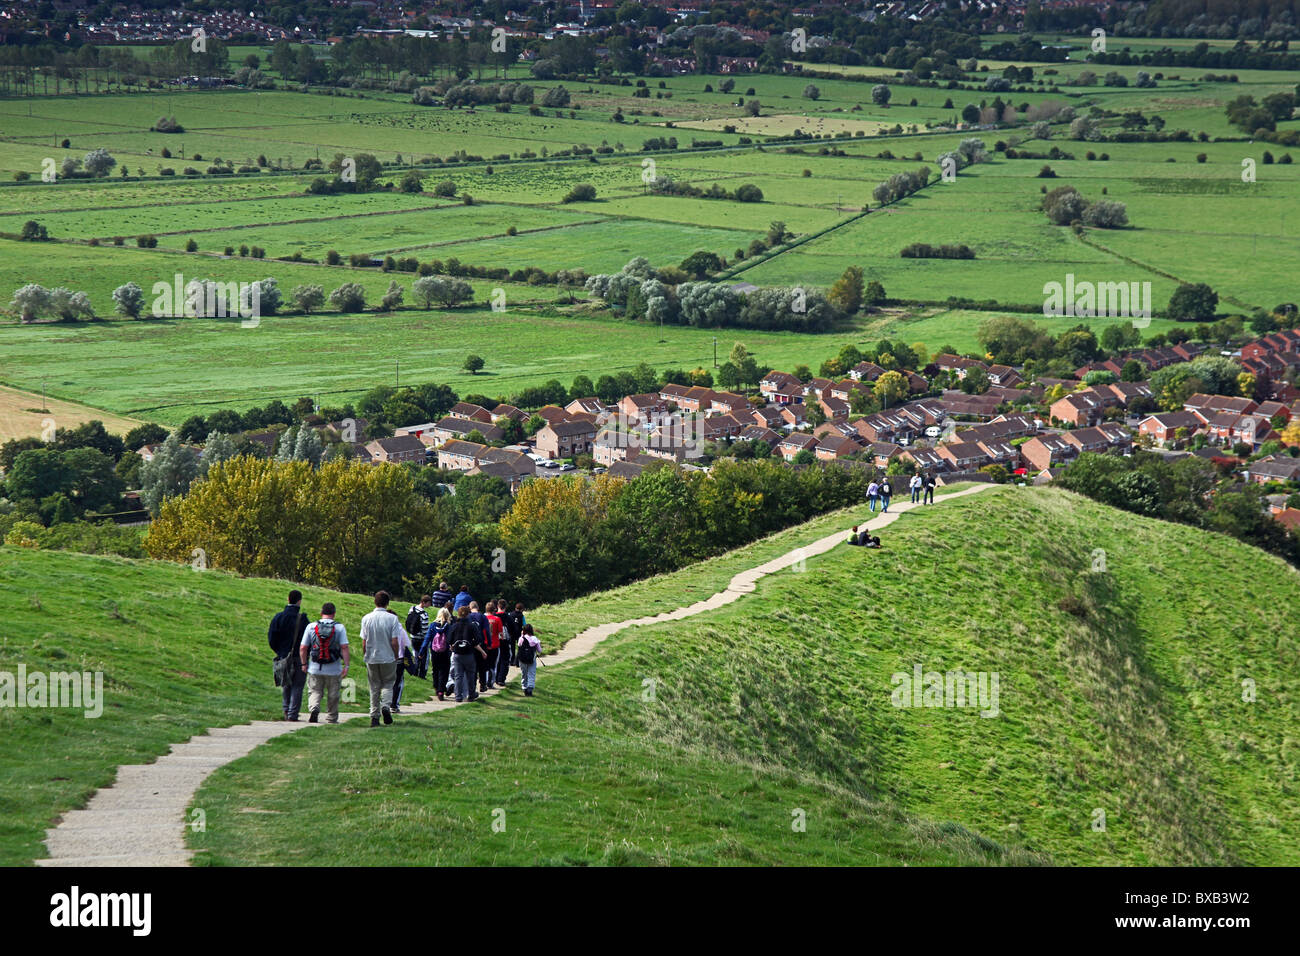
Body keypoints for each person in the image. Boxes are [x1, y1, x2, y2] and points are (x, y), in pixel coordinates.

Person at [299, 603, 350, 724]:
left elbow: (303, 648)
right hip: (334, 668)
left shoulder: (311, 626)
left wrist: (304, 664)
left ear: (321, 613)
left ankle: (314, 708)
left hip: (315, 667)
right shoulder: (340, 628)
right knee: (333, 694)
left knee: (315, 691)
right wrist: (346, 665)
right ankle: (331, 718)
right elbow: (344, 647)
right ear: (334, 614)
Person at [361, 590, 403, 727]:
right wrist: (396, 655)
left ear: (375, 602)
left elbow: (364, 641)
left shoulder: (366, 618)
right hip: (388, 656)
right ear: (387, 603)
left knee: (374, 686)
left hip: (372, 656)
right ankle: (385, 705)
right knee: (388, 684)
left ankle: (374, 715)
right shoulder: (392, 619)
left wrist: (365, 654)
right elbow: (395, 641)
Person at [268, 589, 309, 721]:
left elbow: (271, 638)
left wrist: (279, 651)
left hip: (283, 655)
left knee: (285, 682)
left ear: (288, 599)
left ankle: (286, 709)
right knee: (298, 685)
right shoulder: (302, 619)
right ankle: (293, 713)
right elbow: (308, 640)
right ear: (299, 601)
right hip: (298, 655)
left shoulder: (278, 617)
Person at [446, 606, 484, 702]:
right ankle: (471, 694)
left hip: (457, 653)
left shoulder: (455, 625)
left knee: (458, 675)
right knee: (470, 675)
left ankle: (458, 696)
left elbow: (449, 639)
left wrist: (452, 645)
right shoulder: (472, 626)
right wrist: (473, 644)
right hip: (469, 653)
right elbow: (478, 639)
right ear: (468, 614)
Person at [424, 607, 452, 702]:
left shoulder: (432, 626)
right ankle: (441, 691)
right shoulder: (448, 626)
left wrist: (422, 651)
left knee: (435, 670)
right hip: (445, 652)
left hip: (434, 652)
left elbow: (427, 638)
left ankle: (436, 687)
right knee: (444, 671)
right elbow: (450, 639)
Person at [404, 594, 432, 682]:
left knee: (415, 655)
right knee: (424, 657)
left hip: (413, 636)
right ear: (424, 602)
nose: (429, 605)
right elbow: (424, 629)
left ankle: (414, 671)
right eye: (428, 603)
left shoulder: (411, 609)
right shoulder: (424, 614)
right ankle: (422, 674)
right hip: (421, 639)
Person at [468, 601, 496, 691]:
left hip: (470, 644)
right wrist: (489, 643)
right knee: (482, 665)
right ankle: (482, 685)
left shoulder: (468, 617)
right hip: (481, 643)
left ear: (470, 608)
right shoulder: (483, 617)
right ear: (478, 607)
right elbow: (487, 631)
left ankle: (472, 685)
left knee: (472, 666)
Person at [486, 601, 508, 685]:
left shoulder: (483, 618)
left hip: (485, 644)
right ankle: (491, 681)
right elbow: (501, 634)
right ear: (494, 609)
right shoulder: (497, 619)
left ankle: (484, 680)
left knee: (485, 663)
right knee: (493, 664)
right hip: (495, 644)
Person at [516, 624, 541, 697]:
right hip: (531, 659)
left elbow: (519, 645)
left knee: (524, 673)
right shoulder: (534, 639)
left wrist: (521, 635)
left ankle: (524, 687)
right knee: (531, 674)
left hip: (522, 659)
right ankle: (530, 689)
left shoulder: (521, 638)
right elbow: (539, 650)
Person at [501, 602, 524, 679]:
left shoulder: (510, 614)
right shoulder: (521, 615)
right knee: (519, 647)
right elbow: (524, 624)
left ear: (515, 608)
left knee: (512, 647)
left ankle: (512, 661)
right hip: (519, 633)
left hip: (511, 633)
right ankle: (518, 662)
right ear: (521, 609)